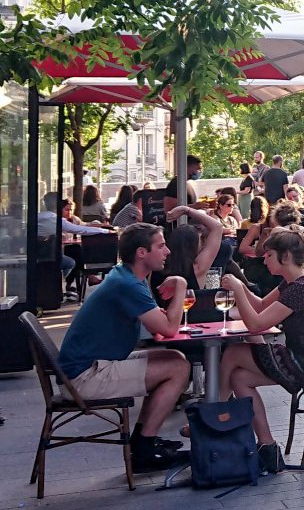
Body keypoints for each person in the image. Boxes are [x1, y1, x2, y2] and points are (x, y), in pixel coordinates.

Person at [56, 223, 191, 472]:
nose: (168, 251)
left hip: (86, 368)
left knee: (174, 358)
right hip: (86, 376)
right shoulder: (128, 284)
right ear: (142, 252)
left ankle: (144, 442)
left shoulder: (125, 276)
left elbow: (157, 325)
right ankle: (143, 450)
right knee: (178, 367)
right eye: (161, 246)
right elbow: (168, 329)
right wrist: (181, 285)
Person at [218, 225, 304, 474]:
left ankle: (214, 413)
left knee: (233, 352)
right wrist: (242, 285)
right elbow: (260, 305)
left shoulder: (301, 289)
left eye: (269, 254)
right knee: (239, 378)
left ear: (285, 257)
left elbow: (257, 323)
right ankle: (268, 448)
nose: (263, 258)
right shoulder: (295, 282)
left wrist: (238, 290)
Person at [37, 193, 110, 284]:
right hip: (46, 255)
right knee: (70, 262)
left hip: (38, 253)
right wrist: (106, 231)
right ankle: (56, 284)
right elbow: (80, 230)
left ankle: (63, 284)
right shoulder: (54, 219)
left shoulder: (40, 216)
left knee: (74, 252)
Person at [152, 205, 224, 292]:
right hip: (192, 305)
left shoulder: (156, 269)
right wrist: (186, 210)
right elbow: (217, 227)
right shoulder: (197, 268)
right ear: (194, 245)